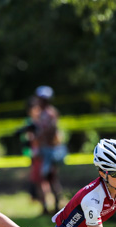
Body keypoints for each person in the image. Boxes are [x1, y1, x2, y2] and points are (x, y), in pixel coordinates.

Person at [34, 85, 66, 215]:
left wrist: (40, 137)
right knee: (45, 178)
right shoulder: (41, 113)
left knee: (51, 178)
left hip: (51, 150)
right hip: (45, 149)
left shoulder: (50, 113)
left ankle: (57, 204)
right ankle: (47, 206)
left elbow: (50, 131)